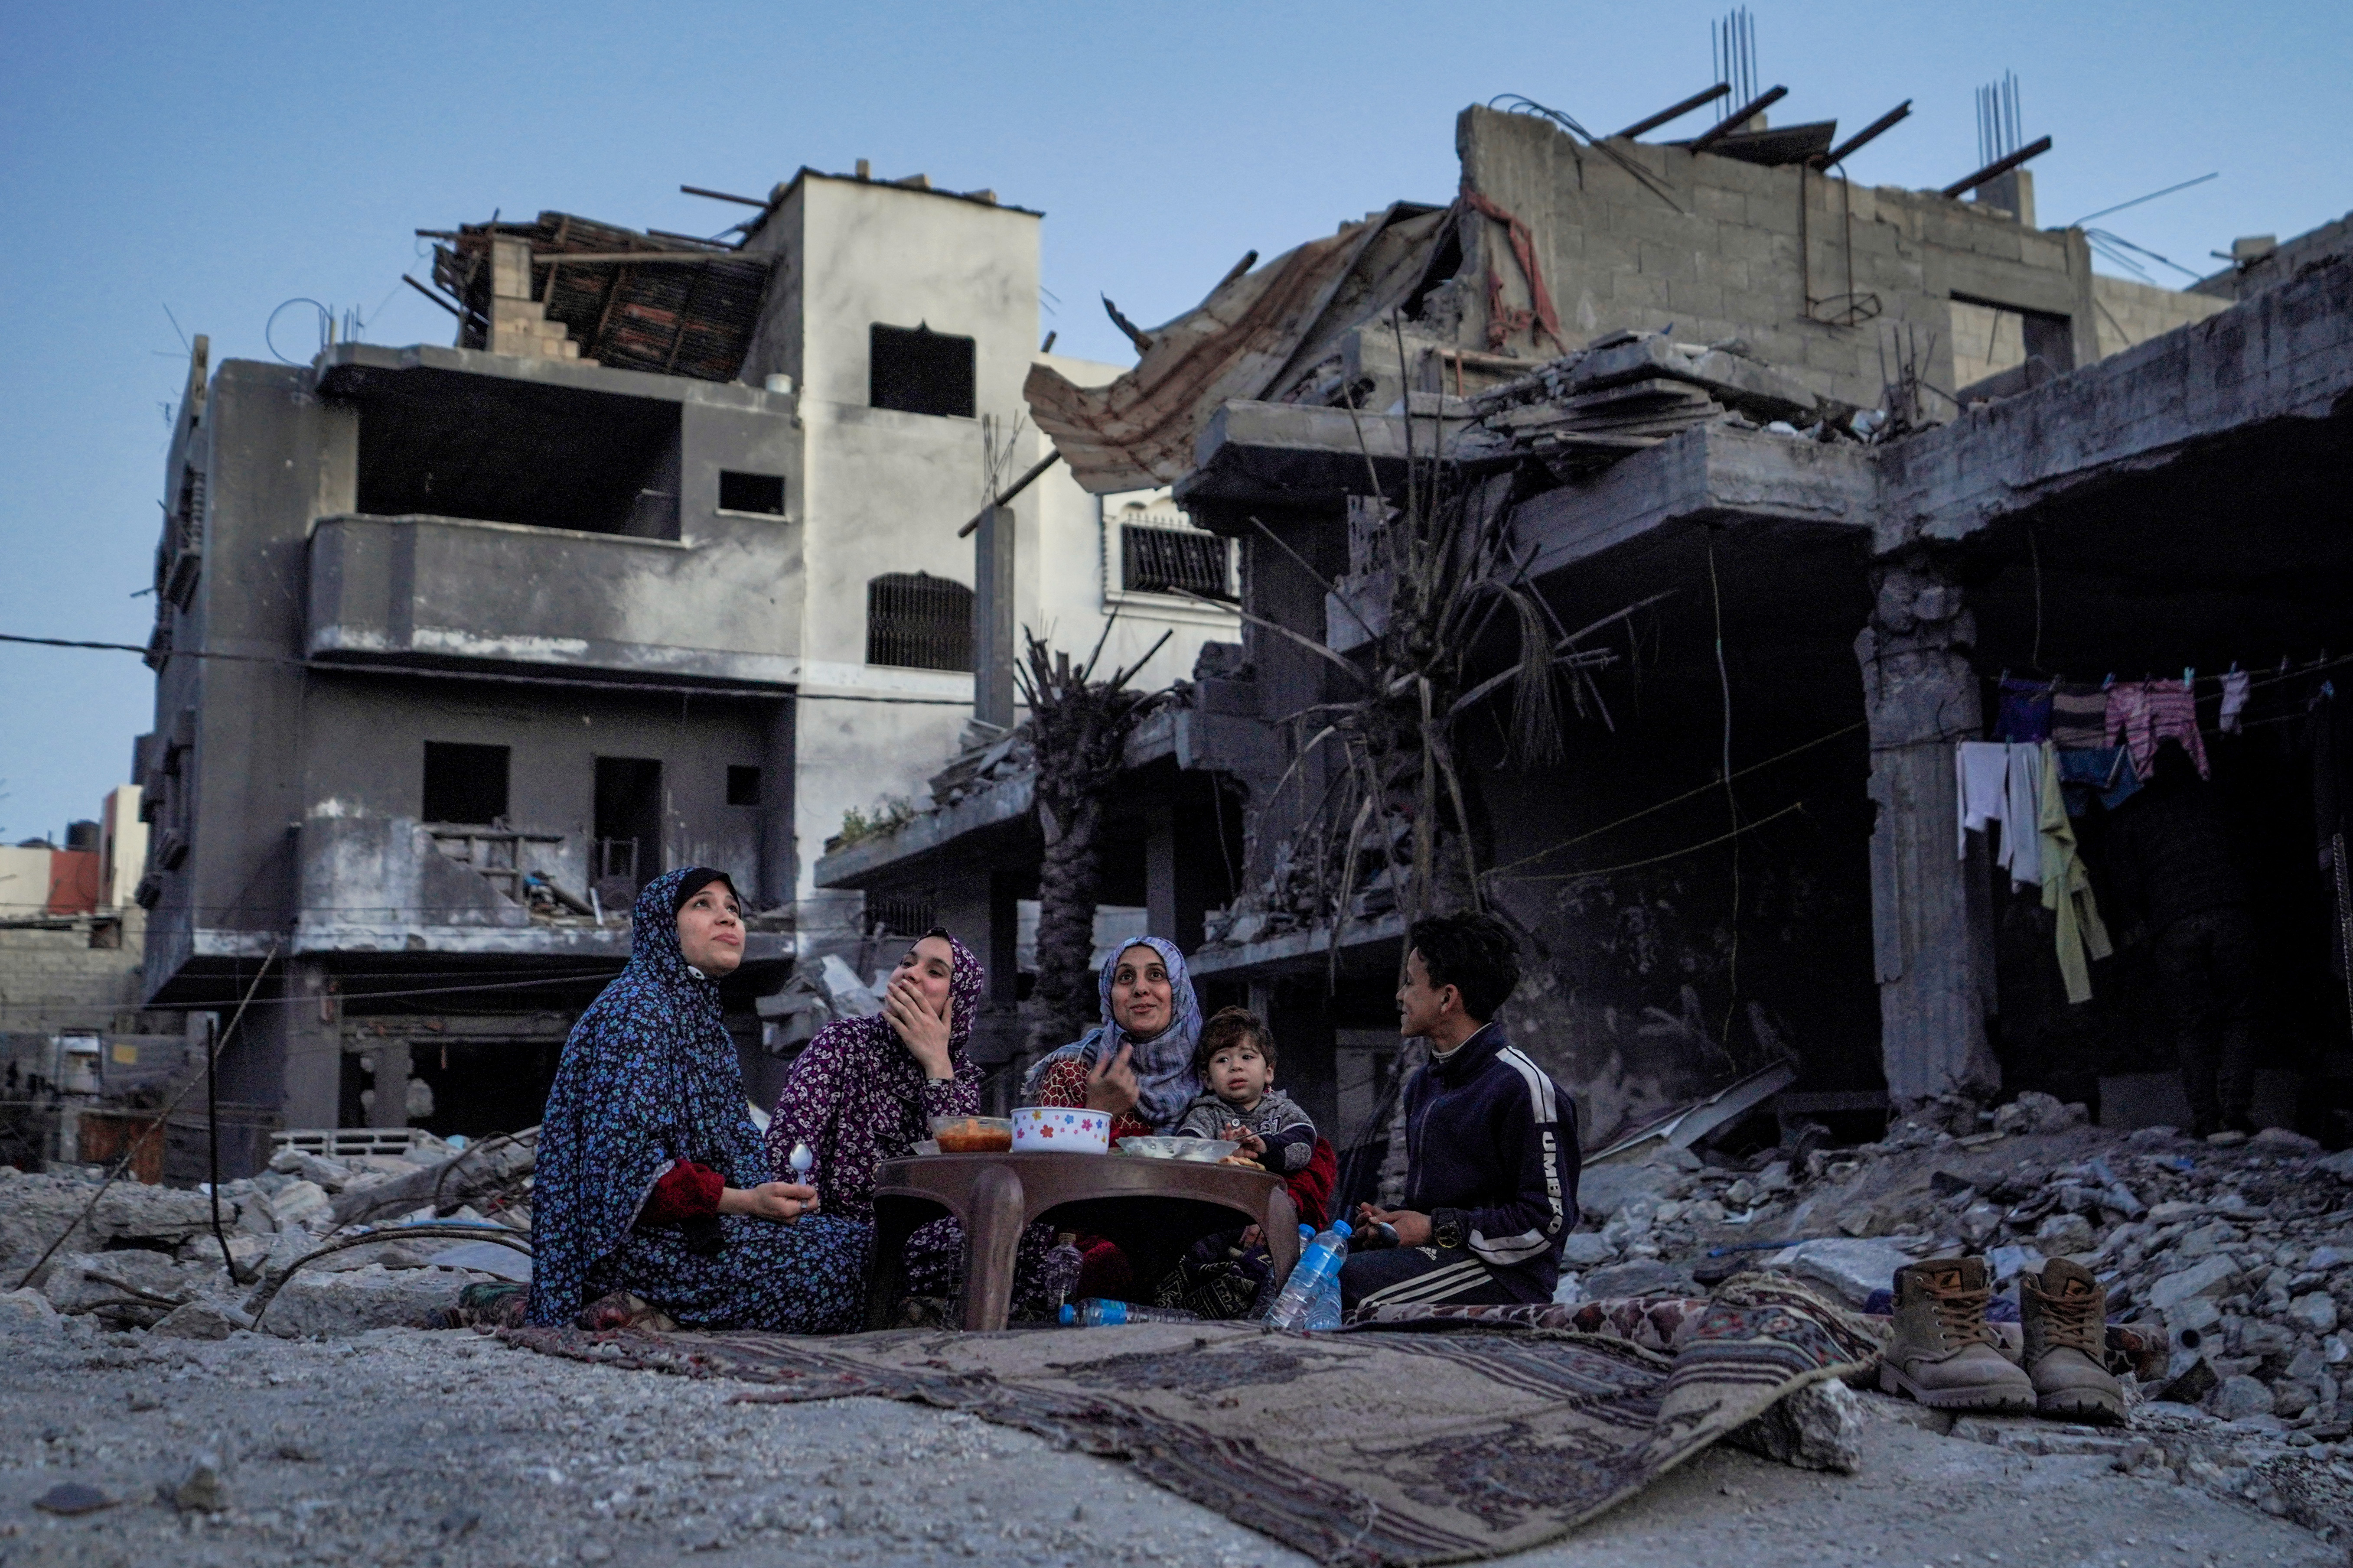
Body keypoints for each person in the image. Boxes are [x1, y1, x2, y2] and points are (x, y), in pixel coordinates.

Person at [526, 867, 870, 1332]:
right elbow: (628, 1176)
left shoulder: (700, 1019)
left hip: (700, 1227)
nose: (727, 919)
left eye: (733, 909)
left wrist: (767, 1203)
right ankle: (627, 1303)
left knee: (864, 1244)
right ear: (663, 927)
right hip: (634, 1245)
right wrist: (748, 1203)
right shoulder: (638, 1010)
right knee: (827, 1276)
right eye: (703, 905)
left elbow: (733, 1144)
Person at [1341, 911, 1579, 1313]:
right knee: (1303, 1262)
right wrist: (1394, 1226)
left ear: (1448, 998)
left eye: (1411, 983)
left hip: (1504, 1277)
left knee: (1345, 1285)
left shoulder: (1522, 1087)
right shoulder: (1423, 1085)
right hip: (1444, 1255)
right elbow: (1432, 1214)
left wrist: (1436, 1228)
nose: (1400, 996)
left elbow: (1547, 1222)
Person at [766, 927, 985, 1221]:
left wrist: (937, 1065)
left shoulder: (961, 1077)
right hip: (836, 1233)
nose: (911, 974)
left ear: (957, 1003)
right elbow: (789, 1150)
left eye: (935, 972)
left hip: (924, 1241)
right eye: (907, 963)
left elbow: (962, 1184)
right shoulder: (843, 1042)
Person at [2105, 738, 2259, 1136]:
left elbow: (2126, 885)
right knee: (2239, 1014)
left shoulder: (2139, 814)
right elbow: (2250, 854)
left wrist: (2140, 924)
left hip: (2173, 927)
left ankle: (2206, 1119)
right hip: (2229, 915)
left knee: (2190, 1024)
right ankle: (2235, 1112)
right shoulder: (2218, 802)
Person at [1022, 937, 1203, 1139]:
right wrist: (1098, 1111)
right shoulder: (1071, 1074)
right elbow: (1048, 1165)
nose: (1140, 989)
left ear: (1181, 990)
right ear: (1109, 995)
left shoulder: (1215, 1066)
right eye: (1126, 977)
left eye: (1156, 975)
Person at [1173, 1006, 1316, 1175]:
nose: (1236, 1066)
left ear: (1268, 1073)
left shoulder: (1284, 1110)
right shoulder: (1205, 1115)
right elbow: (1185, 1151)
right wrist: (1222, 1150)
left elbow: (1303, 1146)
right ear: (1208, 1079)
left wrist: (1264, 1146)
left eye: (1247, 1057)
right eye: (1223, 1059)